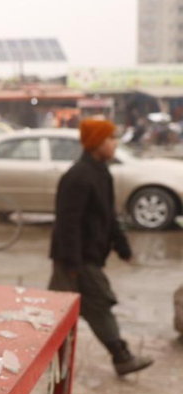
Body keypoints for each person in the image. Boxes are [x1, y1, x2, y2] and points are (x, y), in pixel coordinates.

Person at [48, 118, 153, 376]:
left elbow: (108, 215)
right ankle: (121, 357)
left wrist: (121, 244)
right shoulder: (78, 176)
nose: (115, 143)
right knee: (93, 305)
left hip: (86, 257)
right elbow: (67, 223)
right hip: (76, 259)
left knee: (59, 310)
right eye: (110, 139)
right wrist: (72, 265)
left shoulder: (101, 172)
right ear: (96, 143)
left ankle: (117, 356)